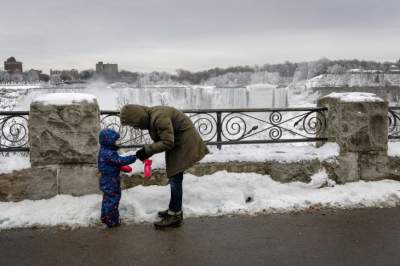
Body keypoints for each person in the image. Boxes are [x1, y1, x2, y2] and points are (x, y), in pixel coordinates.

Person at [120, 104, 209, 229]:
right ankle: (174, 211)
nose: (137, 128)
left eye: (134, 124)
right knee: (175, 178)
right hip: (178, 144)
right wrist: (147, 150)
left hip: (185, 145)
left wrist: (147, 151)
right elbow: (164, 139)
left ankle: (175, 216)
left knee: (175, 180)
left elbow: (167, 142)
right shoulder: (154, 116)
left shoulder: (159, 117)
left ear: (138, 118)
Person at [97, 128, 136, 228]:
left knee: (107, 199)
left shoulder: (105, 151)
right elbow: (120, 160)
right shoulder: (109, 153)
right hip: (111, 181)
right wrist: (134, 157)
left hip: (106, 179)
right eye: (114, 140)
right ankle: (112, 221)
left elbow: (112, 163)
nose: (116, 142)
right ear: (109, 141)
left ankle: (105, 217)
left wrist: (120, 167)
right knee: (113, 199)